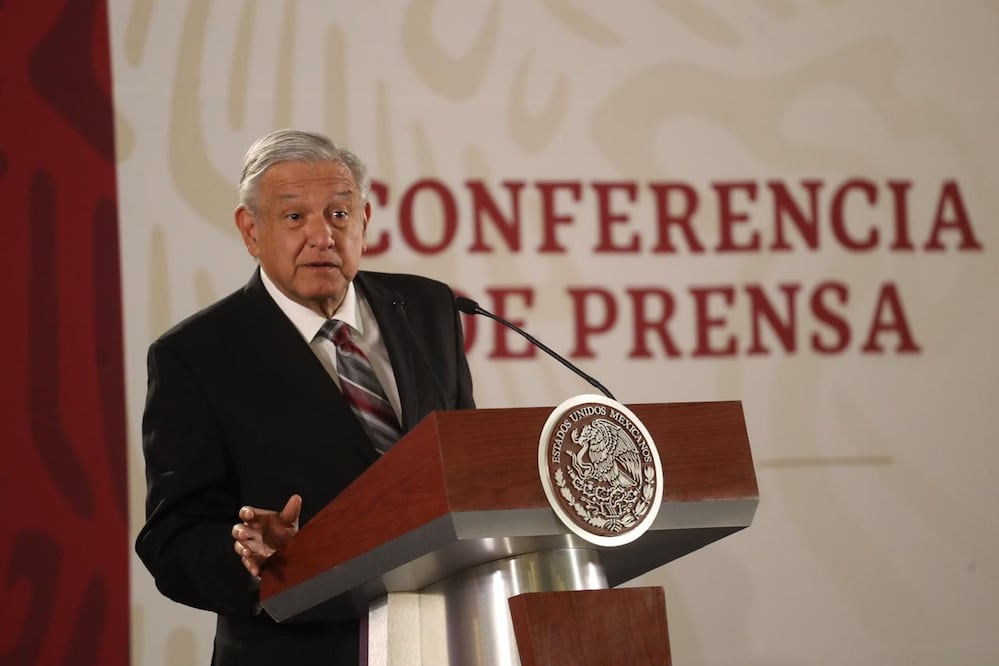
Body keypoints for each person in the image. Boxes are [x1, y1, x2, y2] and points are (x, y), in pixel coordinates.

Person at [135, 129, 475, 665]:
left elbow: (463, 469)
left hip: (445, 639)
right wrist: (251, 555)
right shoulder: (195, 355)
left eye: (339, 214)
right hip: (301, 650)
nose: (322, 236)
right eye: (295, 217)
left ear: (364, 219)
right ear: (251, 230)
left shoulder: (427, 308)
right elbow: (171, 540)